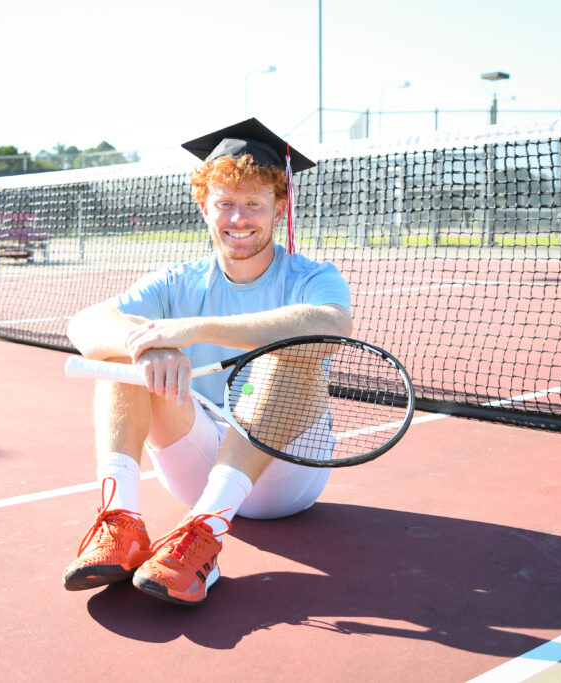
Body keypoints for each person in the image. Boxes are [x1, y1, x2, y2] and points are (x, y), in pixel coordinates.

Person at [62, 118, 353, 606]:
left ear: (279, 209)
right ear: (205, 208)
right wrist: (149, 345)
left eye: (254, 204)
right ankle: (122, 525)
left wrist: (197, 328)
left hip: (286, 471)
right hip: (197, 458)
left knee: (291, 351)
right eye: (226, 204)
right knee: (123, 352)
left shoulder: (313, 277)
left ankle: (207, 529)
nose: (239, 218)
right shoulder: (179, 279)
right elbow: (85, 324)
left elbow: (331, 326)